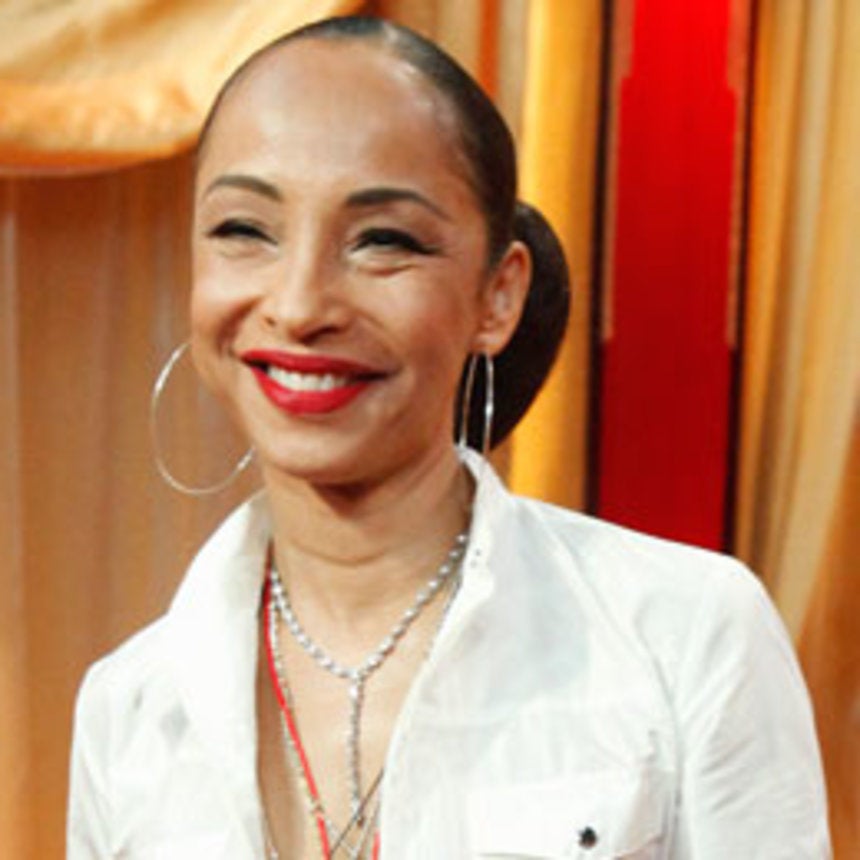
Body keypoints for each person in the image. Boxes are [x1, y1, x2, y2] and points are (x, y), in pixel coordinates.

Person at [67, 15, 830, 860]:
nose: (300, 304)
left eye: (383, 241)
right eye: (244, 230)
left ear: (497, 297)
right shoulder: (128, 709)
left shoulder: (687, 636)